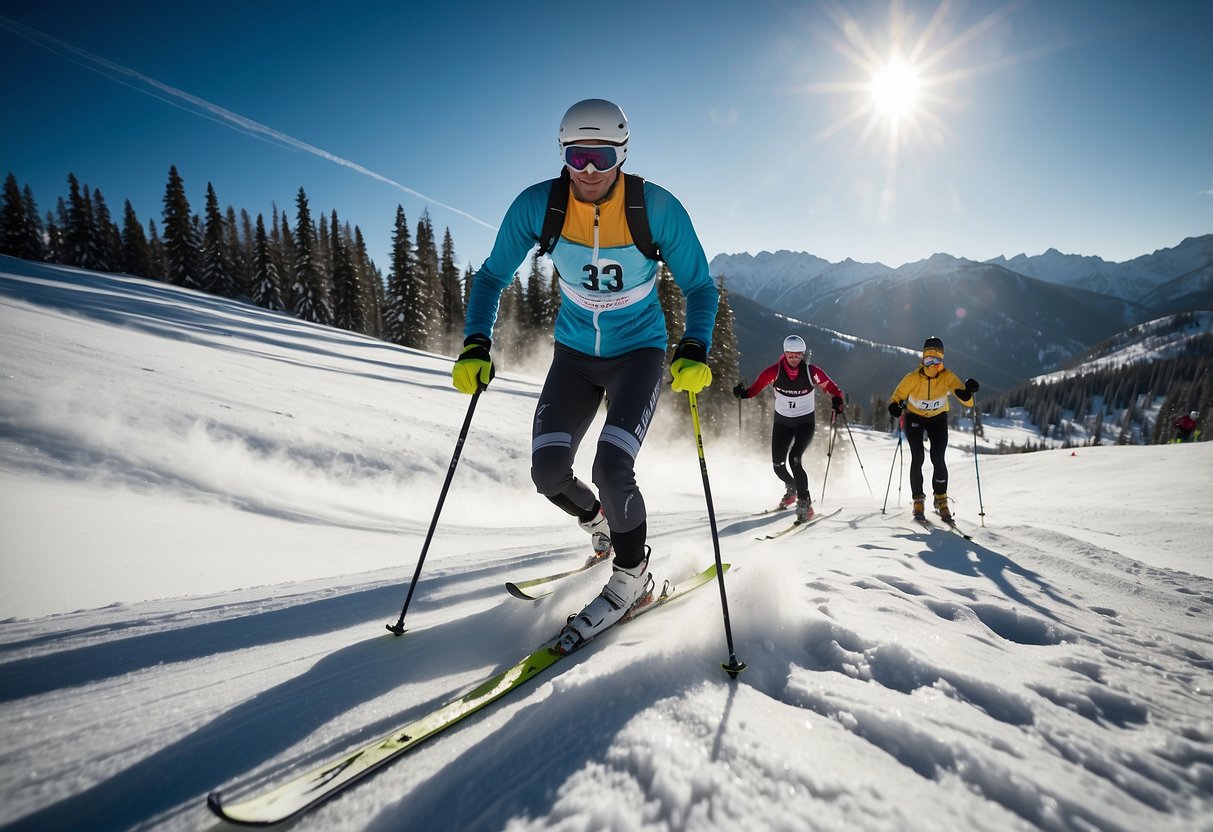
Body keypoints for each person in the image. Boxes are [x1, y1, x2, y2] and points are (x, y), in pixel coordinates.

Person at [451, 98, 718, 651]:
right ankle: (600, 527)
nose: (589, 171)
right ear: (563, 155)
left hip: (638, 352)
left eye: (600, 156)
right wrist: (477, 341)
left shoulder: (655, 207)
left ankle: (633, 580)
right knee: (548, 472)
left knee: (612, 464)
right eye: (577, 156)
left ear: (621, 152)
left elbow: (700, 286)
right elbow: (492, 276)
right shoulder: (539, 207)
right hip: (573, 354)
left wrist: (694, 347)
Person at [733, 335, 845, 522]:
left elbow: (832, 387)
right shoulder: (773, 372)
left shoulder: (812, 372)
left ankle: (804, 504)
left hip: (805, 423)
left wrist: (837, 399)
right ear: (784, 354)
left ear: (803, 355)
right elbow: (755, 388)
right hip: (783, 423)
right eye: (790, 355)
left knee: (795, 459)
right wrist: (742, 394)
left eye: (798, 355)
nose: (794, 359)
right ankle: (792, 488)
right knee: (778, 466)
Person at [887, 336, 979, 521]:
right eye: (929, 359)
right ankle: (918, 500)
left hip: (938, 419)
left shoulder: (947, 377)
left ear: (942, 361)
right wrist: (894, 406)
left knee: (938, 457)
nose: (932, 364)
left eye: (937, 360)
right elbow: (896, 397)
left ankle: (941, 500)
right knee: (918, 456)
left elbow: (967, 402)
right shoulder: (912, 378)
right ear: (923, 359)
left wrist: (968, 392)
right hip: (915, 418)